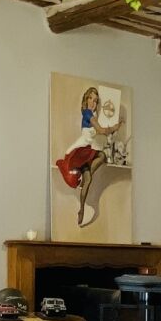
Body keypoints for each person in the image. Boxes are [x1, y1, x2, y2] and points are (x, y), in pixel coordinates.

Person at [54, 85, 121, 226]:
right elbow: (101, 130)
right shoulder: (87, 113)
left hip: (87, 150)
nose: (93, 102)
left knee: (90, 175)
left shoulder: (93, 116)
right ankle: (82, 204)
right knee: (101, 157)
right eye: (90, 98)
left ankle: (81, 208)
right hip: (80, 150)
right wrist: (114, 127)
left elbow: (102, 131)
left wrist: (112, 129)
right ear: (86, 99)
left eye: (96, 100)